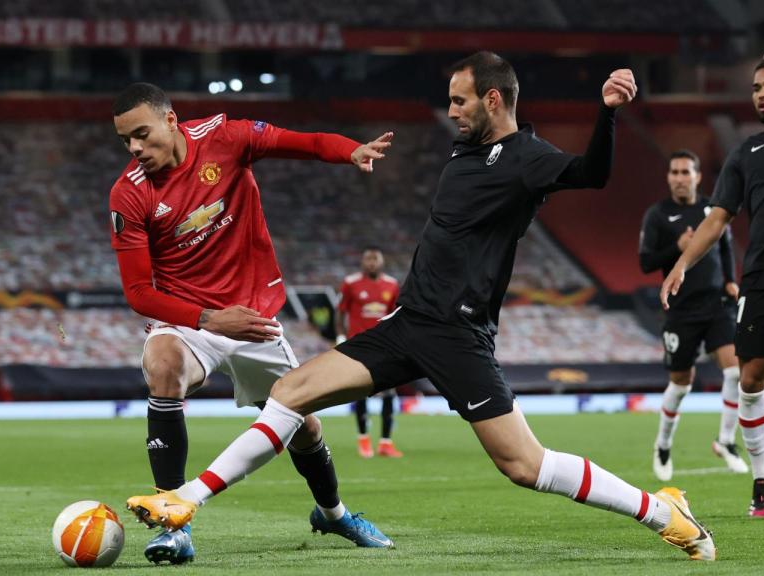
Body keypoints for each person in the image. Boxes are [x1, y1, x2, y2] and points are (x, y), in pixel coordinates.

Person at [128, 52, 716, 561]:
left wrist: (607, 113)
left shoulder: (527, 157)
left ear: (492, 99)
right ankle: (186, 500)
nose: (451, 111)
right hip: (408, 323)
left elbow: (592, 173)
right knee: (290, 392)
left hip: (457, 335)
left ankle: (660, 510)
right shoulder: (467, 151)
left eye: (460, 101)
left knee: (525, 466)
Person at [109, 83, 396, 564]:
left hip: (252, 318)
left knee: (305, 428)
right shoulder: (128, 194)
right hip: (190, 319)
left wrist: (350, 151)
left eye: (141, 134)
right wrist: (209, 318)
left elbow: (302, 142)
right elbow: (139, 292)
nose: (134, 148)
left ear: (171, 120)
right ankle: (174, 522)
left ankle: (333, 514)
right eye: (125, 141)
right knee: (162, 364)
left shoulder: (225, 137)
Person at [661, 56, 764, 516]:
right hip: (762, 277)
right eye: (755, 88)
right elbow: (717, 218)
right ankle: (763, 477)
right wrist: (682, 263)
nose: (761, 94)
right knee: (750, 380)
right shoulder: (746, 153)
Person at [639, 149, 748, 480]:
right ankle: (662, 444)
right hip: (681, 309)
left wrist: (729, 280)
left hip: (716, 304)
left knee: (735, 372)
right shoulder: (658, 215)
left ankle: (725, 441)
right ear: (668, 177)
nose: (679, 178)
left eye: (685, 172)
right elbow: (645, 263)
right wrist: (677, 247)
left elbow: (725, 246)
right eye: (674, 172)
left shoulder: (711, 210)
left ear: (698, 177)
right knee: (680, 385)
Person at [335, 247, 402, 458]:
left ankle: (385, 443)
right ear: (362, 262)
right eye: (368, 259)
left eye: (375, 259)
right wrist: (340, 337)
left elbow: (395, 315)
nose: (372, 262)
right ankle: (363, 439)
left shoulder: (392, 285)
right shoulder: (351, 283)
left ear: (382, 261)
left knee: (389, 393)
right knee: (361, 391)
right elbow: (340, 312)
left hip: (384, 346)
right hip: (359, 346)